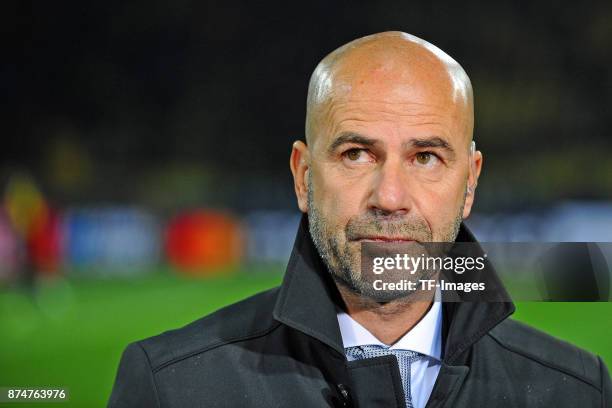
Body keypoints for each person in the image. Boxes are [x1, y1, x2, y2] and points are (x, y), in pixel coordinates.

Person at [108, 32, 611, 407]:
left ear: (470, 183)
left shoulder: (579, 391)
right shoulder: (172, 387)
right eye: (356, 154)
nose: (390, 198)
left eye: (426, 158)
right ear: (303, 176)